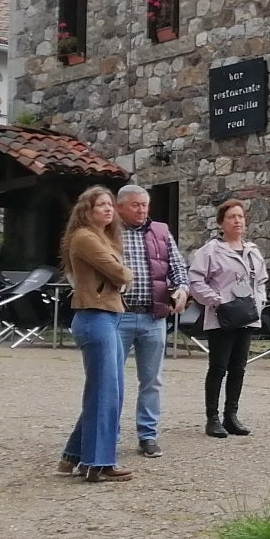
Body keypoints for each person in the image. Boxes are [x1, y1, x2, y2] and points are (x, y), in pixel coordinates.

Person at [108, 183, 189, 457]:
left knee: (152, 380)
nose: (142, 210)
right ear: (120, 207)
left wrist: (181, 289)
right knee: (112, 380)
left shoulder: (161, 232)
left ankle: (148, 435)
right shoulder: (107, 231)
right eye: (135, 205)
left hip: (153, 317)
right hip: (117, 316)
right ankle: (110, 435)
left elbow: (178, 268)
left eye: (145, 205)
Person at [58, 185, 132, 483]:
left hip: (107, 315)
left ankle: (73, 456)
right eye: (101, 205)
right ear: (86, 210)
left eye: (110, 205)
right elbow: (120, 274)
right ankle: (97, 463)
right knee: (105, 393)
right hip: (95, 316)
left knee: (109, 391)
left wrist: (121, 271)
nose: (108, 209)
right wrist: (123, 273)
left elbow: (118, 271)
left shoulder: (102, 237)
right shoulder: (85, 237)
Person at [188, 199, 269, 438]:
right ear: (221, 222)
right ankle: (212, 418)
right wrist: (217, 301)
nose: (237, 221)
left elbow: (262, 281)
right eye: (232, 217)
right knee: (218, 367)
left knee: (239, 368)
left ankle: (231, 415)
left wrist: (259, 303)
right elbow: (196, 281)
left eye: (240, 217)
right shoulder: (210, 251)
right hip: (222, 317)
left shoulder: (253, 251)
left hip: (246, 316)